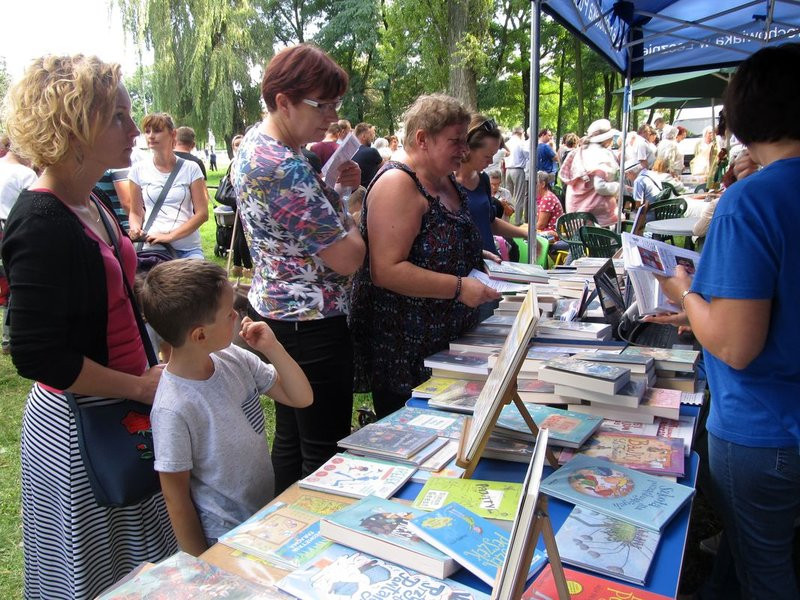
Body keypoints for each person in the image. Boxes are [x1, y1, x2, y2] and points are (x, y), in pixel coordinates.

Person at [2, 54, 175, 600]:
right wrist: (137, 386)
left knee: (140, 559)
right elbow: (35, 354)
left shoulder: (91, 199)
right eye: (119, 117)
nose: (134, 128)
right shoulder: (40, 220)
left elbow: (115, 296)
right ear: (73, 124)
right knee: (88, 571)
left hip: (124, 406)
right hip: (77, 424)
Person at [647, 43, 800, 600]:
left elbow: (736, 346)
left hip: (763, 425)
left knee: (767, 572)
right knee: (751, 549)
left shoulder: (752, 200)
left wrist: (684, 291)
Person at [232, 44, 365, 494]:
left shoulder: (259, 144)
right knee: (323, 449)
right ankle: (308, 543)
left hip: (281, 311)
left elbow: (299, 230)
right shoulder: (281, 166)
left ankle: (278, 534)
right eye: (320, 104)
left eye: (335, 104)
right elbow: (348, 257)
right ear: (283, 100)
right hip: (311, 321)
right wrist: (353, 209)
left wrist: (338, 193)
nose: (330, 115)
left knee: (293, 437)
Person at [140, 260, 312, 555]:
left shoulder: (234, 359)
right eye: (228, 313)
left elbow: (301, 397)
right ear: (200, 335)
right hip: (224, 539)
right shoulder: (173, 409)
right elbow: (176, 498)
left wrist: (272, 348)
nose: (237, 315)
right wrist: (201, 563)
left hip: (263, 519)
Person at [350, 93, 501, 418]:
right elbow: (386, 270)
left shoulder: (442, 178)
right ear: (422, 139)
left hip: (444, 344)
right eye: (455, 141)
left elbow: (433, 241)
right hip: (406, 352)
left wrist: (469, 252)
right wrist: (459, 287)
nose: (464, 150)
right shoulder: (397, 184)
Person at [128, 113, 209, 259]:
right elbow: (135, 212)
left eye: (157, 130)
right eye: (147, 131)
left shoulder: (191, 168)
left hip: (188, 248)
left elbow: (202, 214)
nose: (151, 136)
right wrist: (135, 228)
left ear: (173, 134)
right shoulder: (138, 170)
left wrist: (170, 236)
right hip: (154, 246)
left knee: (197, 281)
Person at [455, 115, 528, 258]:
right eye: (487, 156)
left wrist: (525, 233)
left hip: (490, 264)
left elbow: (490, 222)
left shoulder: (483, 180)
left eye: (493, 156)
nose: (490, 162)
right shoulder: (446, 182)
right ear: (467, 148)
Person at [559, 119, 621, 226]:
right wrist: (618, 187)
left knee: (581, 241)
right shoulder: (602, 154)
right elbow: (600, 186)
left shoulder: (579, 152)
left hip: (575, 211)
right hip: (594, 216)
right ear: (607, 138)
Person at [505, 126, 530, 225]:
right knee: (519, 196)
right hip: (518, 170)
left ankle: (506, 217)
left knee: (508, 195)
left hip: (508, 170)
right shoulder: (521, 143)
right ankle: (518, 220)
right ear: (521, 133)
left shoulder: (507, 143)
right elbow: (528, 155)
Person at [534, 170, 564, 241]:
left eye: (535, 183)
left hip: (551, 235)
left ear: (543, 184)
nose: (532, 186)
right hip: (548, 233)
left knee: (523, 236)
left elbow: (541, 225)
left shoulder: (547, 198)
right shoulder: (546, 196)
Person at [352, 122, 383, 188]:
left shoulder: (349, 152)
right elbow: (385, 168)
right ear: (364, 136)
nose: (372, 138)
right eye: (370, 135)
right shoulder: (371, 152)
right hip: (368, 192)